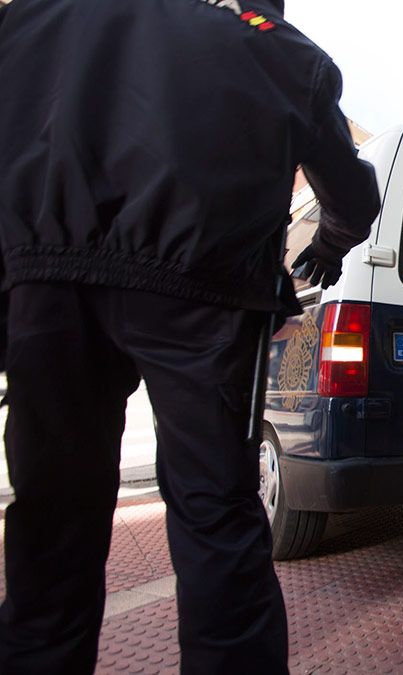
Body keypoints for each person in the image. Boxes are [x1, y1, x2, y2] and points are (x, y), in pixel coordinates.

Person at [0, 1, 381, 671]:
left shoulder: (34, 19)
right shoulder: (273, 45)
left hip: (44, 287)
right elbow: (353, 196)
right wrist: (328, 242)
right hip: (202, 295)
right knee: (216, 514)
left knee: (51, 514)